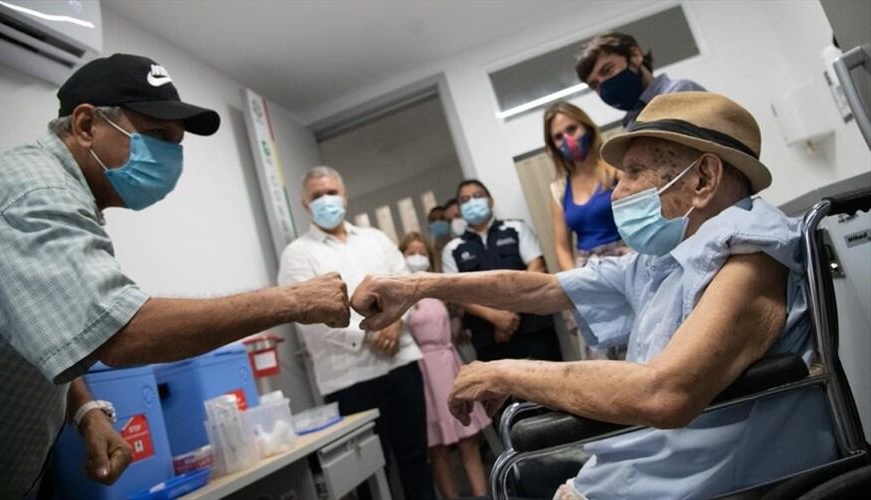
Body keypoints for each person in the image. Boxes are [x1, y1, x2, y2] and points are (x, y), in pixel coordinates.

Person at [350, 93, 838, 499]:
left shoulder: (750, 261)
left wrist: (507, 371)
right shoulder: (663, 259)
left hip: (705, 485)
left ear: (703, 180)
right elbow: (541, 288)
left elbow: (666, 394)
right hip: (638, 474)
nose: (614, 192)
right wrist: (417, 286)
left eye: (633, 173)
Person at [0, 54, 349, 498]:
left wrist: (85, 411)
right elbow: (123, 334)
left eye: (176, 143)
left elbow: (48, 317)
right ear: (84, 126)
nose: (169, 157)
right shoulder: (35, 194)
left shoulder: (62, 193)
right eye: (156, 136)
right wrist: (294, 301)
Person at [277, 166, 435, 500]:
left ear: (345, 195)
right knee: (368, 475)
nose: (326, 200)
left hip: (402, 363)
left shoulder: (376, 238)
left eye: (332, 192)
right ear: (305, 205)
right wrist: (372, 329)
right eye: (317, 196)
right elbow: (309, 314)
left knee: (416, 459)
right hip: (350, 379)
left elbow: (406, 283)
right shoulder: (298, 254)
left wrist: (394, 322)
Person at [399, 232, 491, 498]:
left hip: (449, 362)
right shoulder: (402, 295)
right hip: (422, 371)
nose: (417, 257)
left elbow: (453, 324)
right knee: (437, 446)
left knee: (467, 438)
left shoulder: (439, 288)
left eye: (422, 252)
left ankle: (481, 494)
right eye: (410, 252)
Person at [442, 180, 562, 363]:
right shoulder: (452, 249)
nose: (472, 202)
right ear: (459, 208)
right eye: (465, 200)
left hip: (533, 329)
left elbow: (536, 267)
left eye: (477, 196)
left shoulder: (517, 228)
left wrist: (509, 314)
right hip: (489, 341)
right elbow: (458, 294)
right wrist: (495, 317)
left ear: (490, 201)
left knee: (553, 388)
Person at [544, 101, 628, 269]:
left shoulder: (616, 170)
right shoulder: (559, 189)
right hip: (588, 269)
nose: (568, 140)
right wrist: (575, 282)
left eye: (572, 129)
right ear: (553, 146)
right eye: (558, 137)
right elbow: (562, 248)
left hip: (628, 258)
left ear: (587, 127)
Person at [576, 32, 705, 130]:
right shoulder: (630, 122)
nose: (603, 84)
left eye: (607, 70)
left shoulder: (679, 93)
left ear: (635, 56)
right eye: (595, 85)